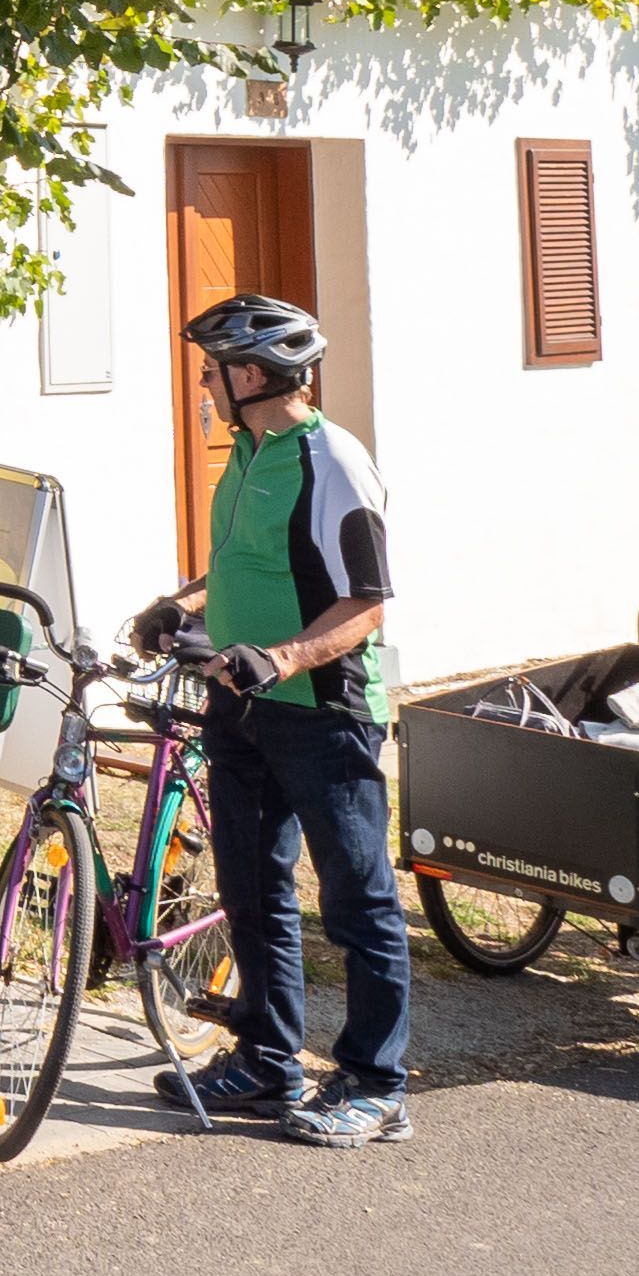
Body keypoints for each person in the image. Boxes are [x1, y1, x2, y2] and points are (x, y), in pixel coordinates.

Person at [133, 291, 411, 1148]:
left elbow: (368, 604)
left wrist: (283, 658)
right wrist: (180, 606)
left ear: (249, 374)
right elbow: (253, 566)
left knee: (358, 901)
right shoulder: (248, 452)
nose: (204, 387)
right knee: (252, 891)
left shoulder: (334, 462)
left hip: (323, 714)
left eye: (212, 371)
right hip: (240, 707)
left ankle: (376, 1083)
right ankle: (266, 1059)